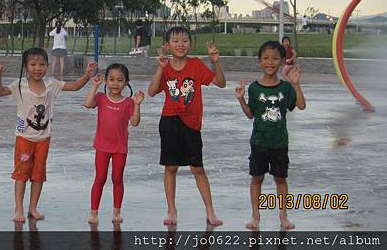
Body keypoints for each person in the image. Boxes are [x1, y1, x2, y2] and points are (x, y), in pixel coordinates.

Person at [0, 48, 97, 223]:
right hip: (24, 138)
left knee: (38, 174)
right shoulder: (19, 85)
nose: (38, 68)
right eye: (33, 64)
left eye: (42, 64)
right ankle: (19, 208)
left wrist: (86, 76)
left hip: (43, 139)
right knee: (21, 174)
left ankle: (33, 207)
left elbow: (74, 87)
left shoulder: (51, 84)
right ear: (26, 66)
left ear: (47, 65)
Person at [147, 26, 226, 226]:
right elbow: (152, 91)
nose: (180, 44)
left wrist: (216, 63)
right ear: (167, 45)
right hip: (170, 121)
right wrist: (160, 68)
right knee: (171, 167)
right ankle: (171, 210)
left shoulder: (196, 65)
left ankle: (210, 211)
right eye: (175, 41)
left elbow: (220, 82)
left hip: (191, 124)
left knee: (198, 168)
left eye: (184, 40)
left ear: (190, 44)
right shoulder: (165, 67)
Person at [235, 41, 306, 230]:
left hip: (279, 142)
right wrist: (241, 99)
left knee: (280, 179)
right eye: (266, 58)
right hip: (259, 141)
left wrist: (296, 84)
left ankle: (283, 216)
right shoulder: (254, 89)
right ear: (259, 61)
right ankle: (255, 216)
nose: (270, 62)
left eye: (275, 59)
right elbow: (251, 114)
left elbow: (300, 105)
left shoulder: (286, 88)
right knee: (256, 178)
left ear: (282, 61)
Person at [84, 63, 144, 225]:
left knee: (117, 178)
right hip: (102, 147)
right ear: (105, 81)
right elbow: (88, 104)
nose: (115, 84)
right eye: (111, 79)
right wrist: (94, 87)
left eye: (119, 80)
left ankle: (116, 211)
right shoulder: (101, 98)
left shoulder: (128, 103)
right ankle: (94, 212)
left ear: (126, 82)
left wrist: (137, 105)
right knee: (100, 178)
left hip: (120, 148)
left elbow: (135, 122)